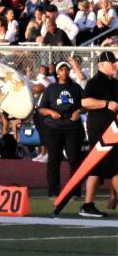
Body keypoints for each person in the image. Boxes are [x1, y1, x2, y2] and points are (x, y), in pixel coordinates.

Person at [36, 61, 85, 200]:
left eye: (67, 69)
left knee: (74, 160)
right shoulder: (50, 89)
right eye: (62, 69)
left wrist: (79, 111)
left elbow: (85, 104)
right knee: (54, 160)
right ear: (57, 72)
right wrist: (51, 112)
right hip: (54, 127)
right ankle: (53, 192)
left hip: (73, 127)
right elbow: (41, 108)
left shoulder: (75, 87)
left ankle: (75, 192)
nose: (65, 72)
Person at [78, 51, 118, 217]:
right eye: (112, 62)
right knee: (115, 165)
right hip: (100, 129)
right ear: (101, 64)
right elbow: (85, 102)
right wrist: (106, 103)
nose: (115, 65)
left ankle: (87, 205)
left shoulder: (115, 82)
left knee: (96, 168)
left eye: (115, 62)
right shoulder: (95, 82)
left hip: (113, 130)